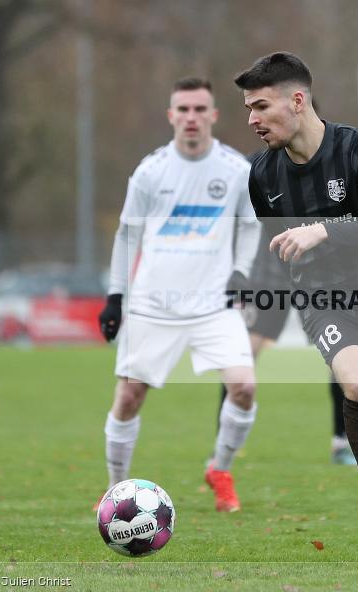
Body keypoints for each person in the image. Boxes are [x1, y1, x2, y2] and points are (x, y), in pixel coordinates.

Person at [234, 52, 358, 561]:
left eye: (260, 106)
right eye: (248, 109)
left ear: (297, 101)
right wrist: (255, 302)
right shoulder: (261, 175)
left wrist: (324, 228)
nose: (251, 120)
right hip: (326, 304)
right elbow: (278, 252)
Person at [98, 77, 261, 512]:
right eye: (183, 110)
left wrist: (242, 271)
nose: (191, 117)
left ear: (213, 115)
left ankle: (219, 469)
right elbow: (126, 236)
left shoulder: (234, 170)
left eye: (199, 109)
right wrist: (116, 296)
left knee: (243, 387)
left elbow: (249, 225)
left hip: (214, 305)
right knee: (129, 397)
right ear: (171, 115)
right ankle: (117, 491)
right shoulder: (151, 172)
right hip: (153, 305)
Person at [217, 143, 357, 467]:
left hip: (320, 275)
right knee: (242, 357)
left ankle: (342, 442)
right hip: (267, 275)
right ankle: (223, 445)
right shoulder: (254, 165)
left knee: (342, 356)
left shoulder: (333, 163)